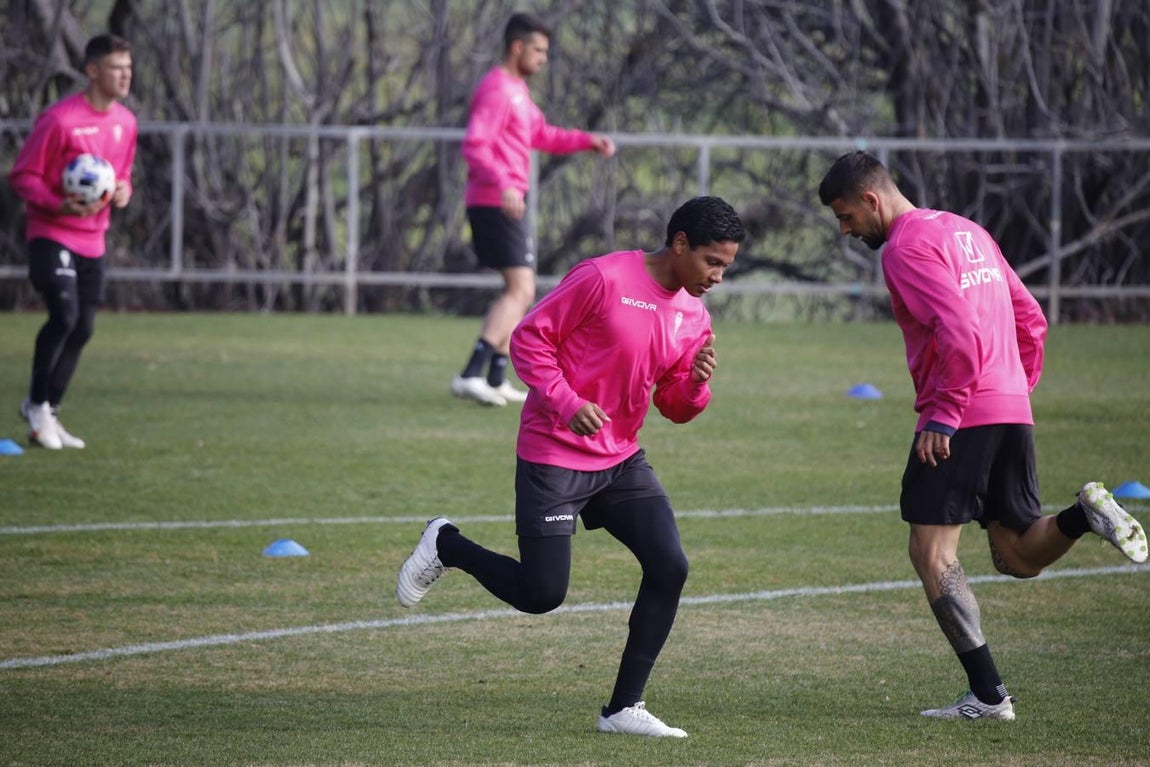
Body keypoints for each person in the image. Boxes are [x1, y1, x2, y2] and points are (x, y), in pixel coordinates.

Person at [817, 151, 1147, 721]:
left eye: (847, 217)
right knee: (1016, 555)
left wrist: (947, 411)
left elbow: (958, 326)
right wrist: (1014, 388)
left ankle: (990, 696)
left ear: (871, 199)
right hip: (1008, 405)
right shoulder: (967, 231)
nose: (846, 230)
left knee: (930, 552)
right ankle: (1083, 516)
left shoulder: (903, 248)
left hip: (960, 412)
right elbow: (1031, 318)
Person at [399, 196, 746, 737]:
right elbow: (529, 339)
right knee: (541, 594)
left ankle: (623, 708)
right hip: (555, 452)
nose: (718, 277)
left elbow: (674, 405)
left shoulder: (694, 316)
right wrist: (567, 402)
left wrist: (697, 384)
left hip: (620, 458)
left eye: (726, 266)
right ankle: (447, 545)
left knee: (669, 566)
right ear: (680, 244)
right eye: (712, 262)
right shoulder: (604, 278)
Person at [451, 11, 616, 407]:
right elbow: (475, 145)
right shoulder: (496, 89)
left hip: (506, 201)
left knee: (520, 291)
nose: (544, 59)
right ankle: (471, 373)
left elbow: (542, 134)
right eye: (539, 50)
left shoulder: (517, 91)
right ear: (517, 47)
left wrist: (586, 141)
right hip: (495, 200)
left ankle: (495, 377)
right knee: (521, 289)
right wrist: (504, 183)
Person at [9, 34, 137, 450]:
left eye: (128, 67)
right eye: (116, 67)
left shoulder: (126, 122)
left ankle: (47, 409)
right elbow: (23, 176)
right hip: (51, 233)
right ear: (92, 71)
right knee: (64, 315)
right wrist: (56, 204)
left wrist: (123, 190)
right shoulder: (59, 120)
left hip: (93, 239)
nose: (125, 75)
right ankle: (37, 408)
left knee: (83, 327)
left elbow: (121, 174)